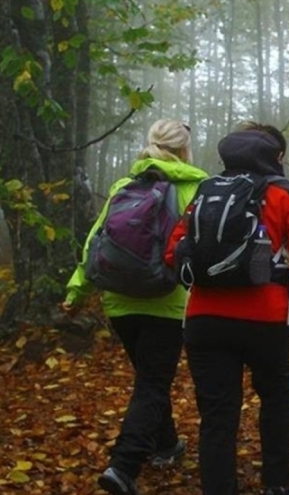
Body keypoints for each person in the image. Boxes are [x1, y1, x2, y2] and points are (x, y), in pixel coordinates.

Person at [166, 123, 289, 495]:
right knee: (276, 399)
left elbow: (174, 250)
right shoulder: (283, 193)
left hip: (204, 319)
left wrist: (205, 281)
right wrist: (285, 286)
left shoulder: (207, 190)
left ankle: (218, 487)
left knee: (217, 412)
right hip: (267, 319)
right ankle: (277, 483)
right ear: (274, 156)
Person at [62, 119, 208, 495]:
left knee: (149, 378)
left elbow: (95, 240)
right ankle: (124, 466)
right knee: (153, 382)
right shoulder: (195, 188)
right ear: (184, 150)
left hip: (119, 301)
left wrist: (77, 291)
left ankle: (166, 444)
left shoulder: (123, 186)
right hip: (166, 300)